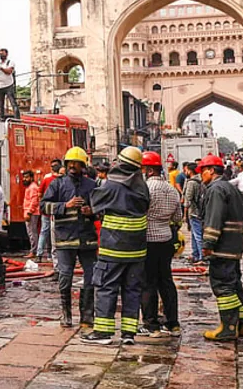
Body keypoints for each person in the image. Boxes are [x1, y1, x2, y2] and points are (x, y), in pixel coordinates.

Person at [81, 147, 150, 346]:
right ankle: (128, 333)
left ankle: (103, 333)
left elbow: (94, 204)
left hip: (113, 247)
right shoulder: (142, 187)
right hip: (137, 250)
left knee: (106, 287)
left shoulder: (111, 186)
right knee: (132, 289)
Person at [42, 147, 99, 328]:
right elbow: (43, 206)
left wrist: (91, 211)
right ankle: (66, 314)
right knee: (65, 276)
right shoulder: (57, 184)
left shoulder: (92, 185)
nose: (73, 166)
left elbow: (102, 209)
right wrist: (64, 205)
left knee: (91, 277)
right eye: (70, 163)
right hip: (65, 239)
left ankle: (87, 316)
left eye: (76, 163)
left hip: (87, 240)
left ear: (83, 165)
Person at [196, 154, 243, 341]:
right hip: (235, 245)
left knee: (223, 286)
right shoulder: (231, 188)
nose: (201, 175)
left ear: (210, 171)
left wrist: (208, 244)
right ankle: (241, 324)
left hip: (222, 246)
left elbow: (214, 219)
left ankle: (227, 328)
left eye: (202, 171)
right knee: (235, 285)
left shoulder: (216, 189)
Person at [139, 151, 182, 337]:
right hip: (166, 239)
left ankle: (151, 325)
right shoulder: (172, 190)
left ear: (148, 170)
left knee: (148, 283)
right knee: (166, 281)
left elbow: (140, 212)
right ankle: (172, 323)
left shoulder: (145, 189)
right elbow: (178, 218)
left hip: (148, 240)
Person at [182, 162, 205, 263]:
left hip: (194, 212)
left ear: (190, 171)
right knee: (195, 235)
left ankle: (201, 257)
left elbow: (187, 200)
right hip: (200, 212)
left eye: (186, 170)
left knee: (197, 235)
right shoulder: (200, 181)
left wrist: (184, 214)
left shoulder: (191, 183)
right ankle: (196, 254)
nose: (185, 172)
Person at [0, 48, 18, 119]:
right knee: (0, 105)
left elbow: (9, 72)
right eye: (0, 54)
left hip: (9, 85)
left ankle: (17, 118)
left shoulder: (10, 62)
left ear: (6, 54)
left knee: (13, 103)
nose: (1, 55)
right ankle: (1, 119)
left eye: (2, 54)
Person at [21, 171, 43, 259]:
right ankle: (34, 250)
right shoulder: (30, 187)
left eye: (26, 177)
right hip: (31, 212)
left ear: (31, 178)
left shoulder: (33, 187)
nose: (24, 179)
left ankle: (34, 251)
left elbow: (34, 201)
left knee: (32, 232)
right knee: (32, 232)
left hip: (32, 213)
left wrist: (29, 212)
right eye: (24, 177)